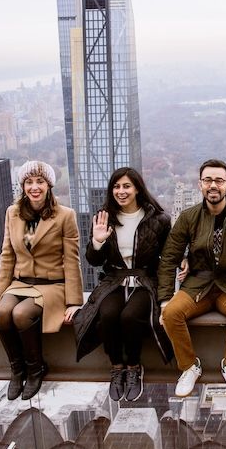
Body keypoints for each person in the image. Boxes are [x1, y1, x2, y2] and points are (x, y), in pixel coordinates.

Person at [158, 159, 226, 399]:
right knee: (170, 314)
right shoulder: (188, 218)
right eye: (208, 180)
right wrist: (165, 298)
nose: (213, 186)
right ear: (200, 185)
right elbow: (169, 258)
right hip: (198, 284)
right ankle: (189, 366)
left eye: (219, 180)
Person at [0, 160, 83, 400]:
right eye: (29, 182)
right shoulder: (12, 213)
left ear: (49, 185)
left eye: (40, 181)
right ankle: (17, 370)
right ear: (22, 185)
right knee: (2, 313)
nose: (34, 187)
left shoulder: (65, 215)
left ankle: (36, 369)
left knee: (21, 314)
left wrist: (74, 301)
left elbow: (71, 260)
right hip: (20, 283)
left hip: (51, 285)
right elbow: (7, 256)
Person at [73, 167, 174, 402]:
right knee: (107, 315)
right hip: (115, 280)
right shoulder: (104, 218)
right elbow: (94, 261)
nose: (121, 191)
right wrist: (97, 242)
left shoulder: (158, 219)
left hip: (146, 280)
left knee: (130, 317)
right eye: (116, 187)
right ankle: (117, 367)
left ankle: (134, 367)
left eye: (127, 186)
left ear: (138, 188)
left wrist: (169, 290)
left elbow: (169, 257)